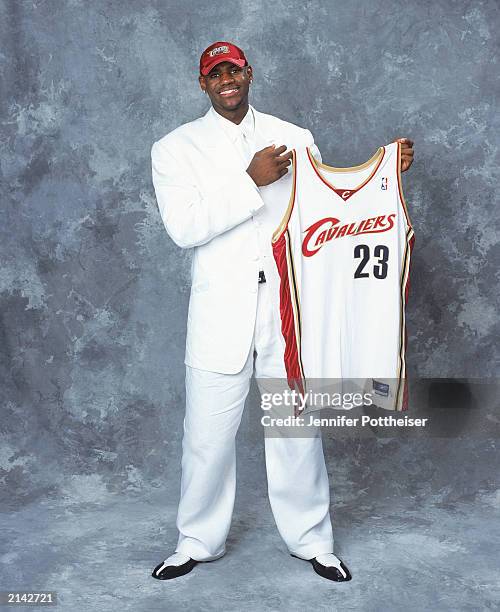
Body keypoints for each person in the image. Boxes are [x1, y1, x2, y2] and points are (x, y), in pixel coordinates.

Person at [150, 41, 414, 582]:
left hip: (287, 308)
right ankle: (197, 542)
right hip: (220, 314)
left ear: (249, 73)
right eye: (215, 72)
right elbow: (185, 228)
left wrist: (386, 171)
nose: (227, 78)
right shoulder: (174, 148)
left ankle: (312, 540)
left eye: (235, 69)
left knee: (296, 430)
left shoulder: (294, 137)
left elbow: (329, 208)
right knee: (206, 438)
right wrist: (250, 180)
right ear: (203, 84)